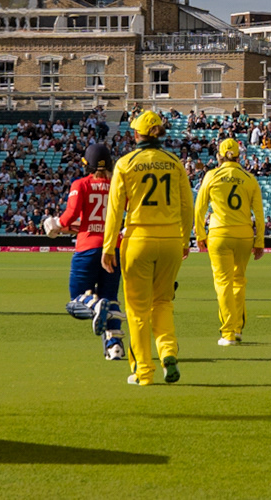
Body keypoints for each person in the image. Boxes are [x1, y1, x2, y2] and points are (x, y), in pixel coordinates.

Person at [102, 109, 194, 386]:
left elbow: (115, 209)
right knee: (163, 302)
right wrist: (184, 239)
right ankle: (168, 352)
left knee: (138, 310)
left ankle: (143, 370)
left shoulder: (126, 163)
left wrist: (108, 246)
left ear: (136, 134)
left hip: (138, 239)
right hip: (170, 240)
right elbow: (187, 205)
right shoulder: (174, 162)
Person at [51, 142, 125, 361]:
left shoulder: (81, 184)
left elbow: (71, 214)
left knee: (76, 299)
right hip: (112, 247)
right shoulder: (117, 184)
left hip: (87, 248)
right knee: (110, 298)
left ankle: (94, 305)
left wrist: (56, 224)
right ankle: (114, 346)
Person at [194, 137, 265, 346]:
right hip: (244, 234)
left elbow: (200, 208)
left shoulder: (211, 175)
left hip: (220, 233)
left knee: (223, 283)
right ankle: (238, 328)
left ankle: (228, 332)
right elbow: (259, 214)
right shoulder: (249, 178)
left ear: (219, 156)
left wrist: (200, 234)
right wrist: (259, 241)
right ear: (239, 156)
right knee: (239, 281)